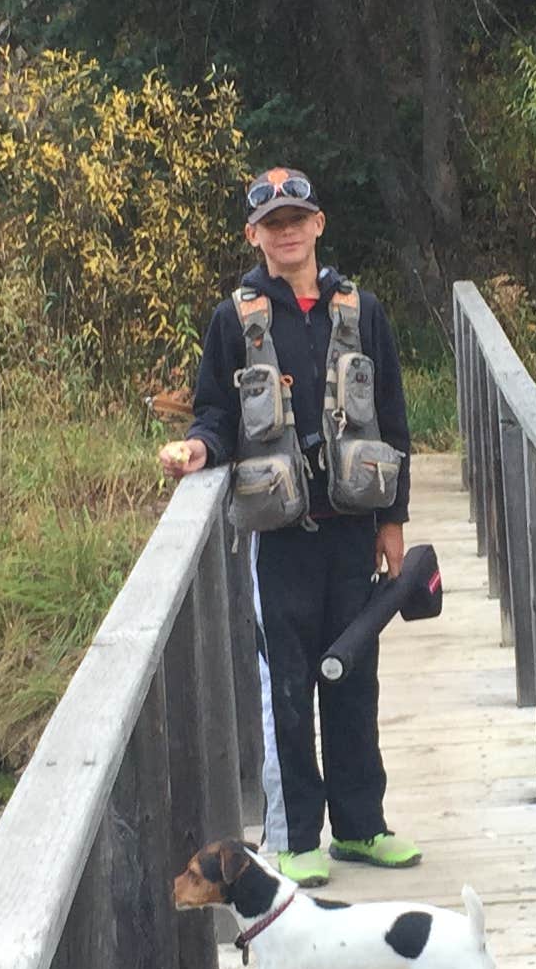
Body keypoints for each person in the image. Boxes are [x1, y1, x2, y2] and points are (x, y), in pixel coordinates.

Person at [157, 167, 422, 884]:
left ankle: (362, 828)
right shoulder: (233, 319)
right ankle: (298, 837)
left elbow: (392, 419)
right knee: (290, 685)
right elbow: (214, 411)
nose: (287, 231)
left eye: (297, 217)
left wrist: (392, 523)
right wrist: (197, 448)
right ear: (254, 236)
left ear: (319, 224)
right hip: (279, 542)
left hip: (352, 532)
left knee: (354, 678)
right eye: (272, 223)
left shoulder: (361, 310)